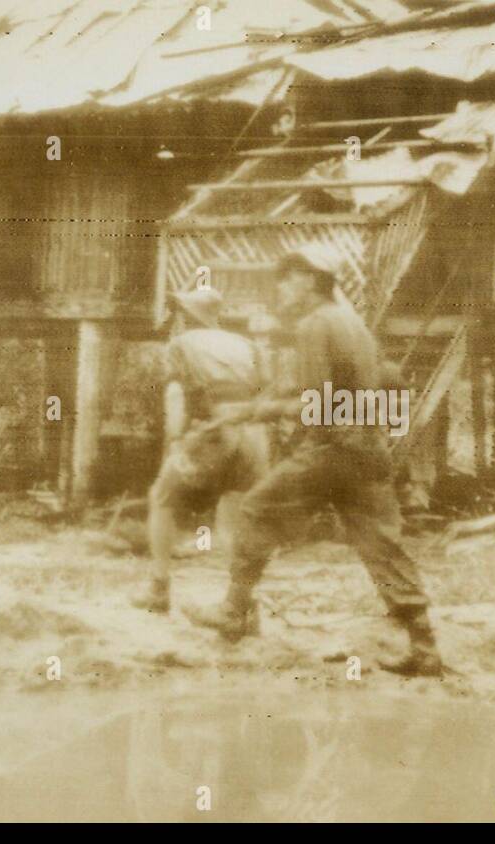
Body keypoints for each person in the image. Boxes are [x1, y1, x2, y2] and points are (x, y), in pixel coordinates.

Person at [184, 243, 445, 677]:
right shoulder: (353, 324)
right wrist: (256, 410)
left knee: (254, 510)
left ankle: (234, 613)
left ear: (310, 280)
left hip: (332, 451)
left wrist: (267, 417)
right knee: (381, 546)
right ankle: (425, 647)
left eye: (287, 278)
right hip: (368, 451)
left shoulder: (314, 324)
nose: (281, 288)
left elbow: (318, 405)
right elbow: (367, 386)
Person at [135, 287, 269, 615]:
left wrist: (175, 442)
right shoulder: (247, 344)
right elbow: (267, 391)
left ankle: (158, 588)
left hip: (214, 430)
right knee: (234, 516)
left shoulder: (181, 344)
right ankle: (241, 605)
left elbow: (177, 395)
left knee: (162, 498)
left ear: (186, 315)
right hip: (254, 433)